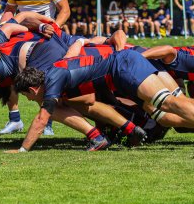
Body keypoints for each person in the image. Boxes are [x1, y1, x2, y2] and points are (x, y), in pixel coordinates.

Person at [11, 50, 194, 152]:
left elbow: (42, 120)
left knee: (168, 103)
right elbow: (89, 99)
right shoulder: (53, 75)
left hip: (123, 67)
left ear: (33, 89)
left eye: (26, 95)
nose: (28, 99)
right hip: (123, 68)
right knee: (164, 111)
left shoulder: (53, 80)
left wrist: (22, 150)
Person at [0, 0, 71, 136]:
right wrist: (4, 23)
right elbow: (9, 9)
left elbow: (65, 10)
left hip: (44, 36)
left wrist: (54, 28)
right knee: (9, 72)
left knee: (43, 78)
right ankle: (14, 119)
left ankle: (47, 121)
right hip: (21, 35)